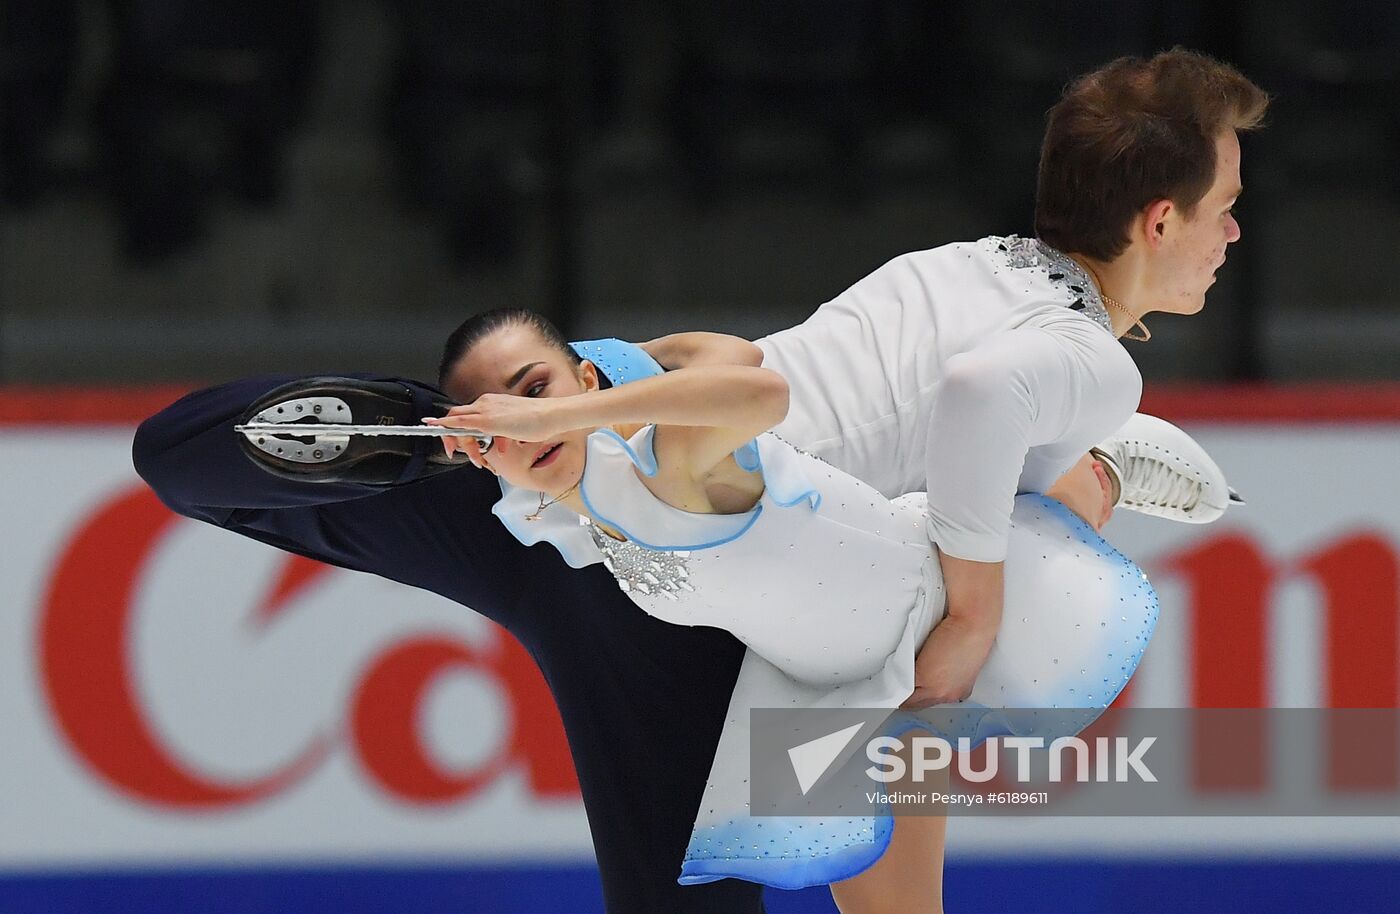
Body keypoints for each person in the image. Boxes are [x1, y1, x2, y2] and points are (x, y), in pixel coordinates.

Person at [136, 47, 1266, 914]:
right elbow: (915, 646)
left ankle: (422, 429)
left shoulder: (959, 266)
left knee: (183, 459)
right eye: (1221, 204)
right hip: (695, 599)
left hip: (575, 474)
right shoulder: (1080, 365)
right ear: (1155, 218)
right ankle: (1104, 477)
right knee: (1013, 571)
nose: (1230, 230)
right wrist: (974, 608)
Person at [425, 306, 1158, 904]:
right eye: (503, 419)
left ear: (585, 378)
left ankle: (1112, 461)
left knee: (1062, 528)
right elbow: (732, 354)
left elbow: (762, 389)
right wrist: (584, 388)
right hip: (830, 686)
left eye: (538, 388)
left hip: (920, 608)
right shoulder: (560, 505)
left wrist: (591, 391)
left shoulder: (665, 460)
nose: (530, 420)